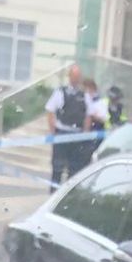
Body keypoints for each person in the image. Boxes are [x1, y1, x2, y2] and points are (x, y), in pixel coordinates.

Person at [45, 64, 88, 192]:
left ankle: (68, 196)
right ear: (69, 77)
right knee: (58, 168)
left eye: (78, 76)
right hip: (62, 133)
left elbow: (88, 115)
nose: (76, 79)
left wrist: (85, 134)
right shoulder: (60, 92)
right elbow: (50, 111)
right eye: (74, 76)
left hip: (77, 135)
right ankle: (53, 195)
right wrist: (53, 132)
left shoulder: (84, 95)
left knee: (74, 169)